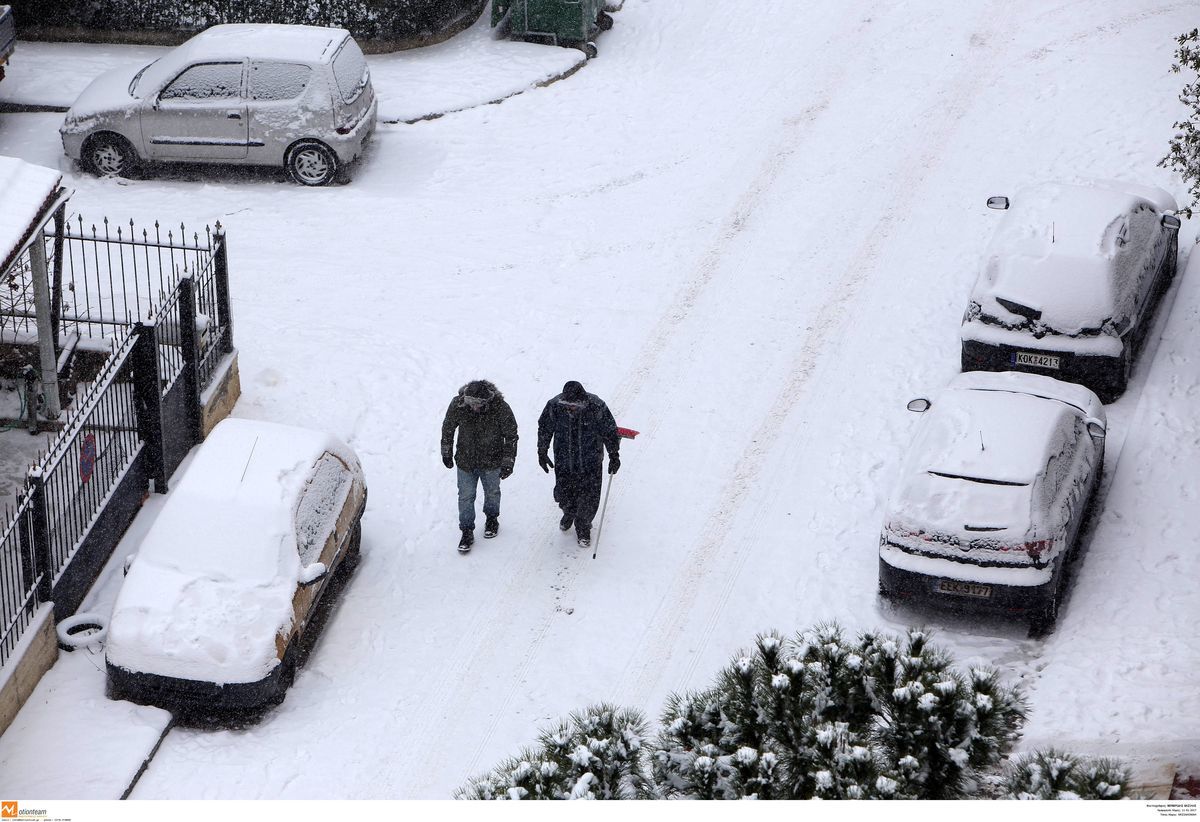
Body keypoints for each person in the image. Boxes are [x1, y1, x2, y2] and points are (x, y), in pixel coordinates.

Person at [537, 380, 620, 548]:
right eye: (568, 405)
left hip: (590, 462)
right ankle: (569, 512)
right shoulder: (554, 406)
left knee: (588, 498)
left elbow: (610, 431)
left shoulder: (596, 406)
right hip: (564, 461)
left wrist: (614, 455)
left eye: (575, 405)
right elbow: (545, 428)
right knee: (563, 494)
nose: (571, 408)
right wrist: (542, 450)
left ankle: (583, 527)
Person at [441, 380, 518, 553]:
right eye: (471, 403)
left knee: (492, 492)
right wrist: (446, 451)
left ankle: (492, 519)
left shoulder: (500, 407)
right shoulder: (458, 404)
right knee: (465, 497)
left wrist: (508, 462)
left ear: (487, 400)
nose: (475, 407)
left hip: (491, 461)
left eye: (479, 404)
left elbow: (511, 435)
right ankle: (467, 531)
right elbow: (448, 428)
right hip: (465, 461)